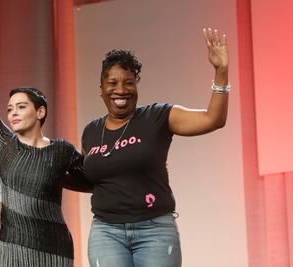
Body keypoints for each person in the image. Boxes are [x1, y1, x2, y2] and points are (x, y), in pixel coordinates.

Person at [82, 28, 229, 267]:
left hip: (154, 230)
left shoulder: (157, 116)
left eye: (129, 83)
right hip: (106, 232)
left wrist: (221, 71)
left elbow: (214, 119)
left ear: (136, 86)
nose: (121, 90)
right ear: (101, 88)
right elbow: (89, 179)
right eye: (112, 83)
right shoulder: (91, 131)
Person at [0, 15, 92, 267]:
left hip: (54, 248)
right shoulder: (4, 142)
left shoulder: (62, 150)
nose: (13, 113)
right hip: (12, 247)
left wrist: (136, 172)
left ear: (40, 112)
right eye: (9, 109)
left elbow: (95, 180)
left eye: (21, 106)